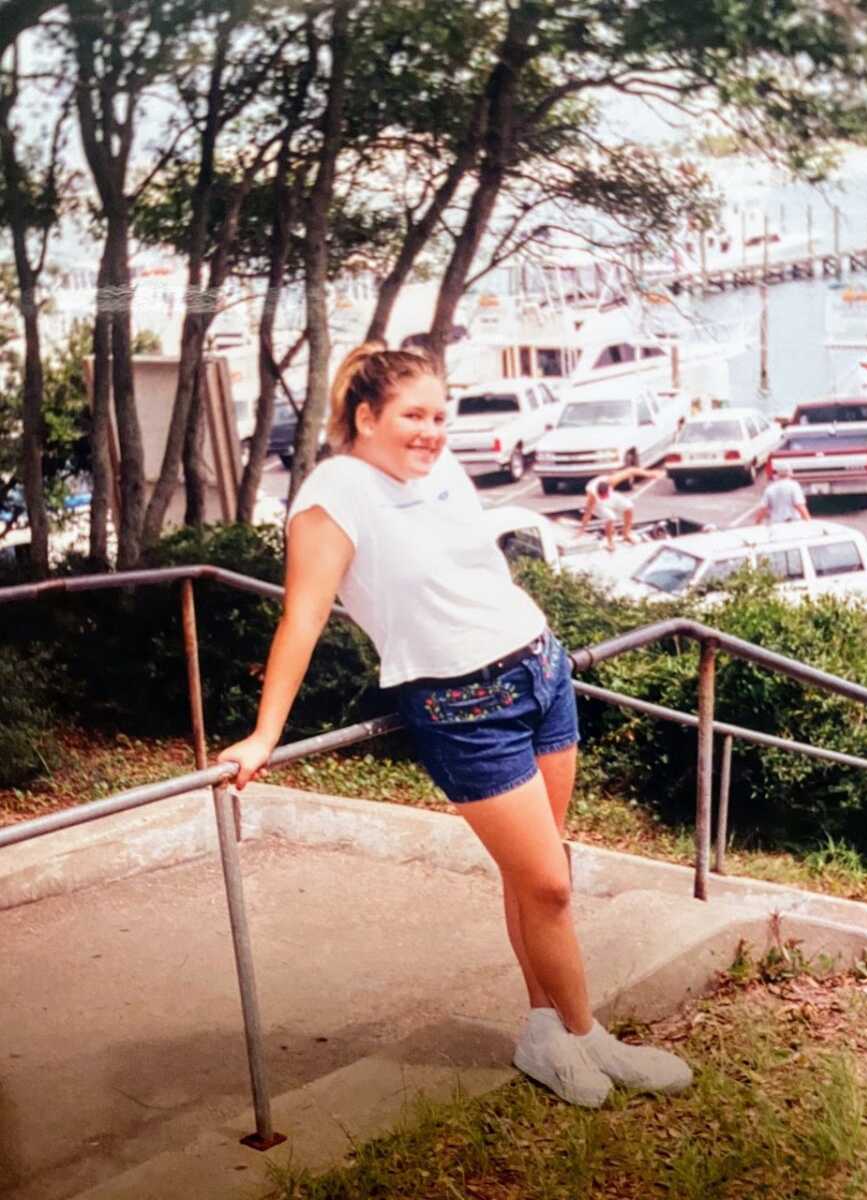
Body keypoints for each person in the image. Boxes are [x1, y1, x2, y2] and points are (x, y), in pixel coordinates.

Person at [219, 343, 692, 1108]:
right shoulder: (334, 495)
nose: (433, 431)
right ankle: (587, 1034)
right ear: (365, 416)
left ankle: (550, 1034)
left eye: (441, 414)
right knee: (549, 887)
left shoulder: (440, 470)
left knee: (541, 881)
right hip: (462, 707)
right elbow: (303, 617)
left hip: (539, 671)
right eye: (414, 415)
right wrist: (266, 731)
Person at [578, 466, 663, 551]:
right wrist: (581, 530)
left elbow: (631, 470)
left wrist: (650, 474)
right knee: (610, 517)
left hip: (609, 494)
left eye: (605, 495)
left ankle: (626, 534)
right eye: (603, 496)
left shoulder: (611, 480)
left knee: (628, 506)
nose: (605, 498)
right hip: (597, 503)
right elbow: (588, 513)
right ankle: (610, 543)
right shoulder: (592, 493)